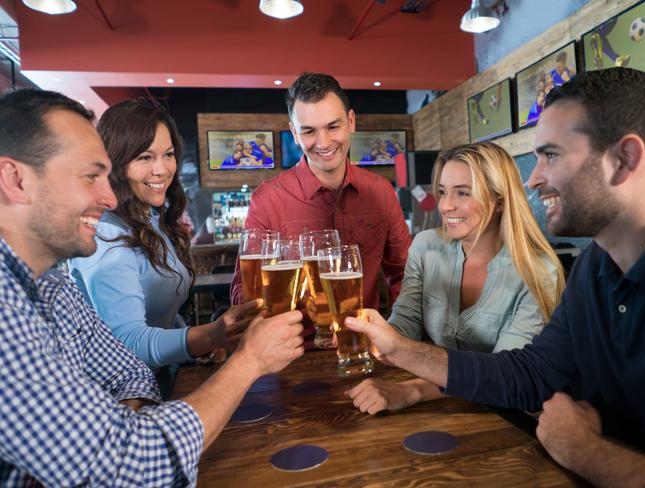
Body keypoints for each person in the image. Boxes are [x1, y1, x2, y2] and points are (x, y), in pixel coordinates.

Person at [344, 68, 645, 487]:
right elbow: (529, 375)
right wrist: (398, 350)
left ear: (625, 159)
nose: (534, 177)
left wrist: (587, 452)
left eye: (552, 155)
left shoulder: (547, 268)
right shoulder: (595, 266)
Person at [0, 89, 304, 485]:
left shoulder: (53, 284)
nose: (108, 196)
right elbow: (136, 467)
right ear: (15, 180)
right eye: (90, 176)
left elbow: (129, 371)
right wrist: (248, 360)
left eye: (167, 154)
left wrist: (127, 424)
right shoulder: (7, 310)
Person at [347, 142, 564, 415]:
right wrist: (374, 334)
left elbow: (507, 373)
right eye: (442, 192)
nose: (446, 205)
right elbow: (405, 324)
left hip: (506, 416)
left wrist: (414, 390)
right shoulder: (425, 246)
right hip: (444, 410)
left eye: (462, 193)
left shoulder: (539, 270)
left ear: (498, 200)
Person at [69, 99, 255, 397]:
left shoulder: (151, 217)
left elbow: (160, 317)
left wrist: (196, 345)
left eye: (168, 155)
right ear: (115, 163)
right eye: (145, 157)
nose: (162, 169)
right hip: (117, 399)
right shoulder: (106, 239)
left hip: (156, 382)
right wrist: (207, 336)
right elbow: (127, 342)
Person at [230, 72, 411, 322]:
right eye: (309, 132)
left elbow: (404, 274)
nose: (323, 142)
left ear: (351, 121)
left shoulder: (381, 192)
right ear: (294, 133)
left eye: (333, 126)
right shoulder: (267, 199)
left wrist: (399, 329)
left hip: (360, 342)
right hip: (289, 349)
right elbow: (242, 289)